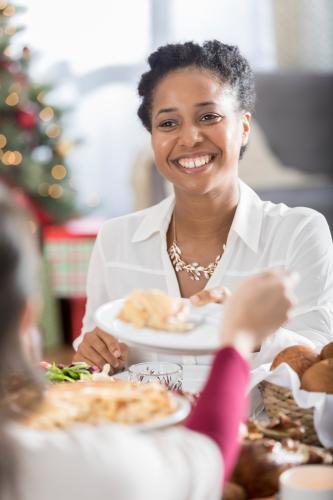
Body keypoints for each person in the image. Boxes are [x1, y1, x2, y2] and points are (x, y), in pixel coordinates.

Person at [0, 191, 296, 500]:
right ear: (27, 314)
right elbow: (206, 457)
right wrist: (239, 337)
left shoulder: (293, 229)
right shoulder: (76, 461)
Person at [73, 40, 333, 371]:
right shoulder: (115, 240)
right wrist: (92, 354)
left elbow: (319, 367)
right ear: (152, 137)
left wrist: (248, 331)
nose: (189, 138)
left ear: (244, 127)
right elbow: (92, 359)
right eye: (168, 123)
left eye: (208, 116)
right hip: (142, 419)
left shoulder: (298, 232)